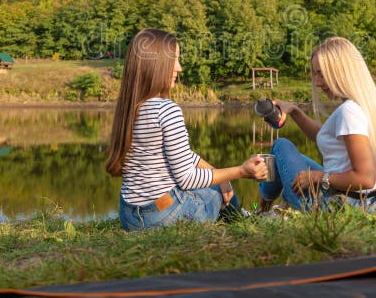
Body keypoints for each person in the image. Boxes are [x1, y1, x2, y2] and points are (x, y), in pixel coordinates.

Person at [107, 28, 267, 231]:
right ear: (156, 64)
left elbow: (182, 155)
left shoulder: (130, 109)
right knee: (215, 190)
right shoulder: (167, 109)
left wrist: (217, 172)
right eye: (174, 59)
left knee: (217, 179)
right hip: (161, 217)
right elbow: (188, 178)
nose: (179, 68)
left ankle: (239, 214)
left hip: (129, 215)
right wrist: (240, 171)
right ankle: (243, 220)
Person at [258, 37, 376, 212]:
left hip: (337, 205)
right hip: (362, 202)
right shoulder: (365, 103)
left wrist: (319, 176)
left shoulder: (349, 112)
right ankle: (265, 210)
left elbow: (365, 178)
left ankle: (260, 210)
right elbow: (324, 137)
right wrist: (294, 111)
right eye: (315, 74)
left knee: (280, 146)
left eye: (322, 74)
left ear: (342, 71)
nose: (317, 82)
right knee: (283, 157)